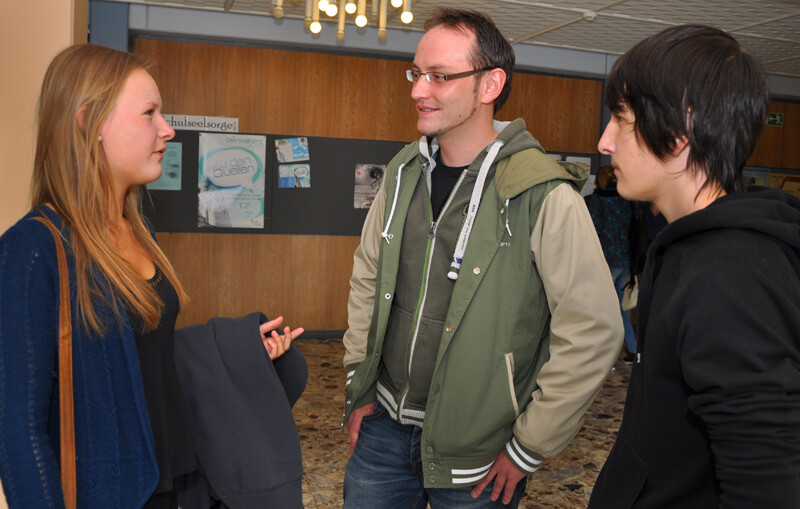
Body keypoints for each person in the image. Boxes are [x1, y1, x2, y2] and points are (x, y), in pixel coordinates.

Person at [0, 44, 304, 508]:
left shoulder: (140, 230)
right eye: (150, 113)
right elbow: (17, 429)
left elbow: (145, 355)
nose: (168, 128)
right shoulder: (35, 250)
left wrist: (241, 351)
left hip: (174, 484)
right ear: (88, 122)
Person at [341, 7, 623, 508]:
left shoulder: (543, 193)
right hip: (382, 430)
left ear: (490, 84)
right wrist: (359, 385)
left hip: (480, 456)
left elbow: (593, 330)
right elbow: (368, 281)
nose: (417, 90)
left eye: (440, 77)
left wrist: (528, 447)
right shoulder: (404, 173)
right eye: (416, 73)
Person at [588, 25, 800, 508]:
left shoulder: (729, 274)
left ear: (679, 132)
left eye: (620, 119)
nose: (605, 141)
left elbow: (766, 482)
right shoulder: (689, 246)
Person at [585, 165, 639, 363]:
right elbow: (635, 227)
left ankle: (604, 355)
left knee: (602, 310)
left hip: (604, 261)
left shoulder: (596, 201)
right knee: (621, 309)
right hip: (624, 260)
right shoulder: (627, 200)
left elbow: (592, 230)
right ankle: (632, 349)